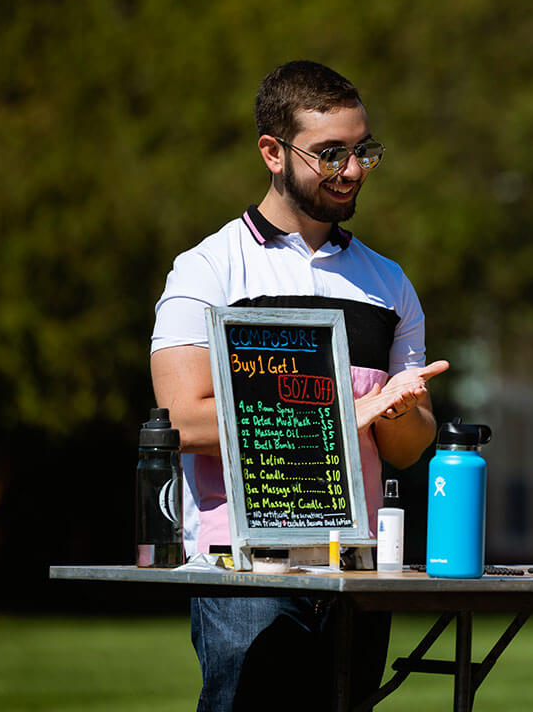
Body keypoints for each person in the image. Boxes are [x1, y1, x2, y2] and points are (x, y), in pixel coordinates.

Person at [150, 60, 447, 710]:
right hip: (244, 567)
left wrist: (398, 412)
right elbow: (179, 424)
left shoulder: (388, 282)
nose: (353, 169)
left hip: (357, 565)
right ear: (272, 153)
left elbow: (405, 448)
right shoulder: (207, 269)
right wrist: (351, 411)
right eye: (331, 153)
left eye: (363, 150)